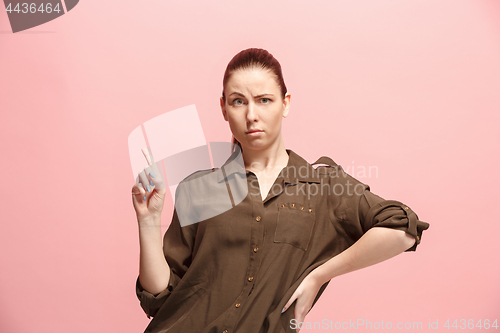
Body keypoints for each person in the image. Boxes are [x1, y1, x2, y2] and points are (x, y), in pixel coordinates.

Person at [131, 48, 430, 333]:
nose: (251, 115)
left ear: (285, 103)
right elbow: (160, 298)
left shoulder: (322, 187)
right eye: (238, 101)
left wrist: (320, 274)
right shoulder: (197, 188)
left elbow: (402, 228)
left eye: (264, 100)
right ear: (223, 108)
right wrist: (148, 220)